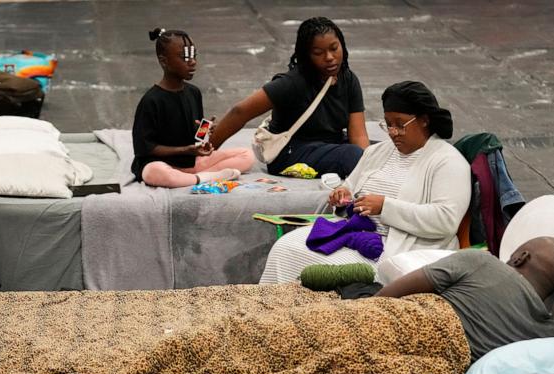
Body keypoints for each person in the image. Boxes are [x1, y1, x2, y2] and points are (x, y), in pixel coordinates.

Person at [260, 81, 470, 284]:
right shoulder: (377, 152)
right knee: (285, 248)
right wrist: (342, 196)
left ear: (424, 120)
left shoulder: (448, 162)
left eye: (400, 125)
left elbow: (445, 221)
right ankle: (273, 315)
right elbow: (350, 188)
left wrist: (384, 206)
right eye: (388, 124)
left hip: (398, 248)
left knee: (323, 268)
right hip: (354, 234)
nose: (393, 132)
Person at [208, 17, 369, 178]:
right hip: (292, 153)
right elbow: (240, 112)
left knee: (383, 150)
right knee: (352, 155)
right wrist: (207, 151)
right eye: (318, 53)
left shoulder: (348, 79)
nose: (329, 57)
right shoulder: (292, 83)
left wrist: (368, 161)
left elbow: (358, 135)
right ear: (306, 55)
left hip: (331, 146)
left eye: (334, 48)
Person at [377, 236, 554, 361]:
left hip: (389, 330)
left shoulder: (482, 262)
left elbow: (385, 297)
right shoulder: (545, 332)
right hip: (421, 369)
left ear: (521, 257)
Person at [131, 28, 254, 188]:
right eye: (185, 57)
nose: (193, 62)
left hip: (191, 162)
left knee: (247, 155)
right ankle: (208, 177)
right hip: (161, 164)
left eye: (193, 56)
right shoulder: (151, 100)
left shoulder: (193, 92)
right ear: (164, 61)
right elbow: (145, 148)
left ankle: (192, 177)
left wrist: (205, 133)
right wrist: (185, 150)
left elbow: (196, 137)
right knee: (153, 173)